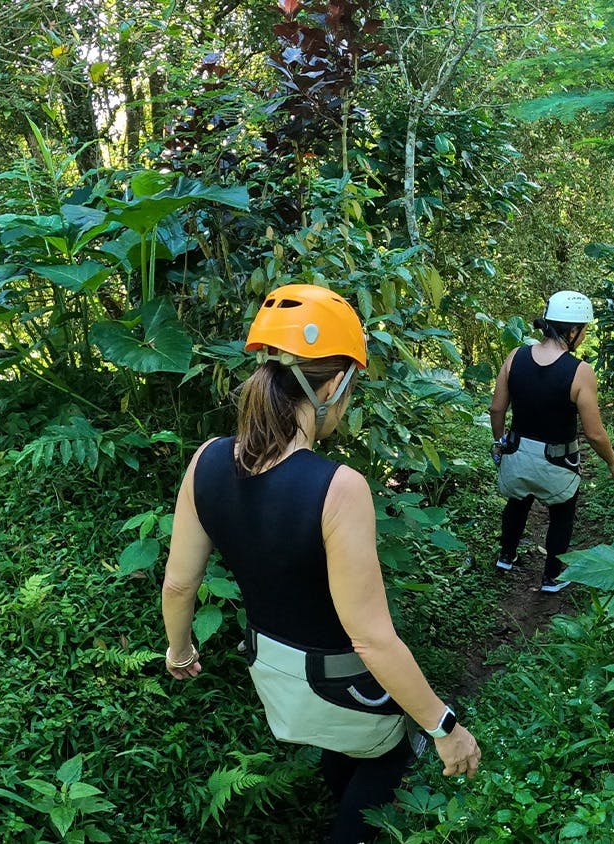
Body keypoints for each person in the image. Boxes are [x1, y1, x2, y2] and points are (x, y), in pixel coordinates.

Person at [161, 284, 480, 844]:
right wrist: (444, 726)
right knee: (389, 752)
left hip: (275, 677)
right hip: (337, 684)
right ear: (332, 385)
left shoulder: (206, 461)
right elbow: (373, 640)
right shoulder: (339, 487)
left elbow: (179, 582)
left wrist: (180, 649)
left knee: (348, 741)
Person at [489, 290, 614, 592]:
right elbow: (594, 433)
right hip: (557, 463)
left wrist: (501, 443)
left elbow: (497, 408)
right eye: (584, 329)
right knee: (562, 514)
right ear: (572, 330)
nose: (585, 334)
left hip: (518, 455)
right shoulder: (580, 372)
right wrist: (613, 462)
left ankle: (506, 556)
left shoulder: (516, 356)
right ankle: (551, 577)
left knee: (517, 502)